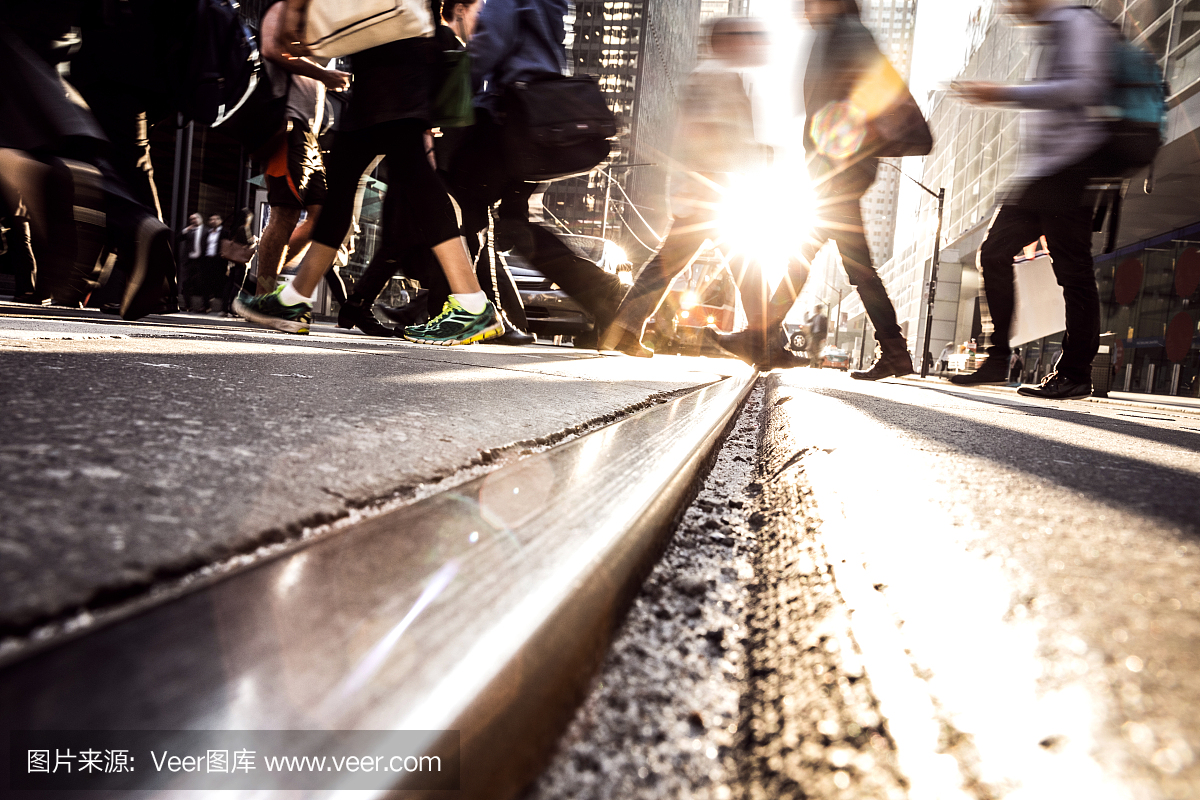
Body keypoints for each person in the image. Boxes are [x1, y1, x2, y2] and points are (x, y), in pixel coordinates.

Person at [238, 0, 502, 344]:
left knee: (414, 179)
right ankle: (294, 299)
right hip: (386, 56)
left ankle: (471, 303)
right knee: (345, 184)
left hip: (392, 58)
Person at [600, 16, 796, 363]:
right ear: (727, 41)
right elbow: (707, 135)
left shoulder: (717, 75)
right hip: (710, 189)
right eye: (745, 38)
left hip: (710, 189)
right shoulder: (717, 76)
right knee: (744, 267)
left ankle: (625, 331)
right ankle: (766, 344)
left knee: (722, 266)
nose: (752, 44)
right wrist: (761, 156)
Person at [949, 0, 1113, 399]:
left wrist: (1003, 92)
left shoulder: (1077, 22)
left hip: (1072, 167)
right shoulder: (1051, 31)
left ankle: (1075, 372)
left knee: (1072, 271)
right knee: (992, 252)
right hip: (1040, 174)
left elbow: (1084, 87)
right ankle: (998, 357)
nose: (1010, 8)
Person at [446, 0, 625, 346]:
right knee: (515, 225)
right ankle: (603, 295)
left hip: (509, 116)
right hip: (539, 123)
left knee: (465, 207)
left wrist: (453, 90)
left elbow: (492, 43)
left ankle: (473, 311)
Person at [791, 0, 913, 381]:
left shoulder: (849, 35)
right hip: (836, 167)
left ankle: (758, 335)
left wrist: (839, 153)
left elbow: (868, 94)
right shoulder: (834, 35)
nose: (805, 7)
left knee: (803, 250)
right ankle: (894, 351)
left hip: (841, 168)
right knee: (855, 268)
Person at [253, 1, 349, 296]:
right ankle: (262, 295)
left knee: (322, 219)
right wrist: (324, 76)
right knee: (285, 213)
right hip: (287, 127)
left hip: (310, 135)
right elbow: (271, 49)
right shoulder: (280, 6)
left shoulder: (311, 17)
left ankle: (264, 284)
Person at [221, 210, 257, 316]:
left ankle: (225, 308)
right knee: (237, 286)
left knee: (229, 284)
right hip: (240, 262)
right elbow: (247, 243)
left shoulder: (234, 228)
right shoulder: (243, 228)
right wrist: (254, 240)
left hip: (232, 261)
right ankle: (232, 308)